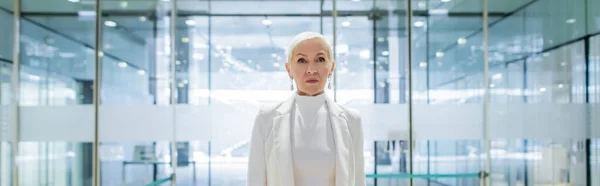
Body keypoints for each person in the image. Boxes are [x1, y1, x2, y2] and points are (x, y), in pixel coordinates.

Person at [247, 31, 366, 186]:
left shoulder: (352, 120)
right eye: (302, 60)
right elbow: (255, 180)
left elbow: (358, 181)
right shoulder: (266, 118)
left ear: (331, 68)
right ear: (289, 69)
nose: (311, 69)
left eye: (320, 59)